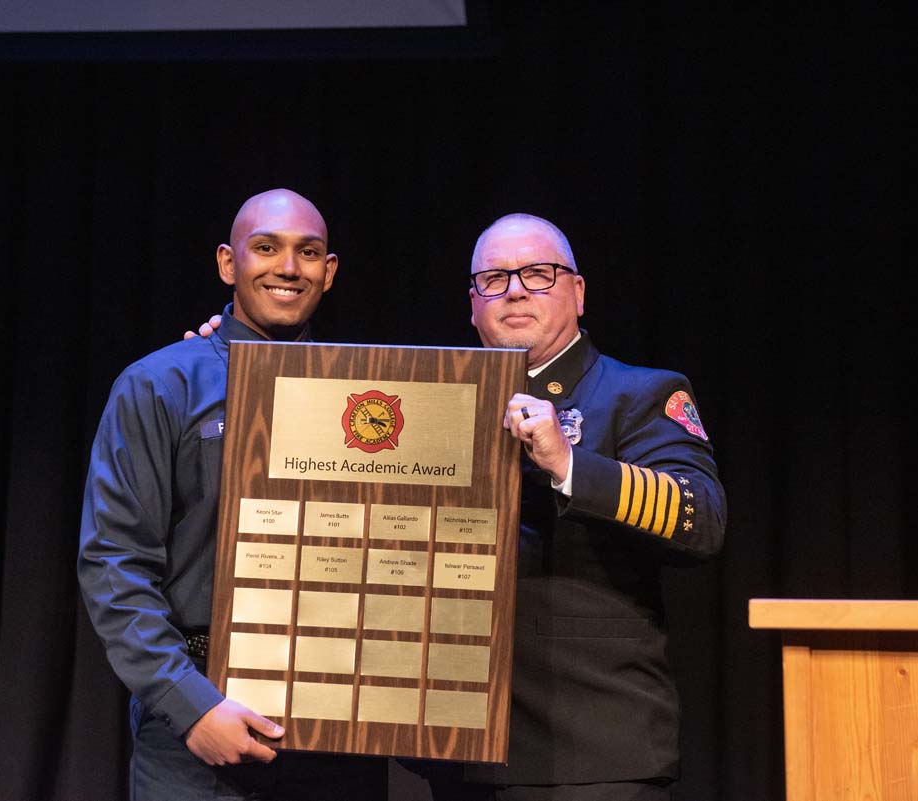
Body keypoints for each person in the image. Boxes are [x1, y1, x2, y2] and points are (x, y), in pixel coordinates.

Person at [189, 212, 725, 800]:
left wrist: (570, 465)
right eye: (493, 279)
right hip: (453, 748)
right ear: (472, 305)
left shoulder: (640, 394)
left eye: (539, 274)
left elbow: (701, 521)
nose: (515, 289)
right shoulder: (432, 400)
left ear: (578, 291)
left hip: (587, 750)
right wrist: (225, 363)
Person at [79, 188, 386, 800]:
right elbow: (114, 562)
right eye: (266, 248)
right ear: (228, 263)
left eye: (308, 252)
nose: (288, 267)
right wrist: (190, 707)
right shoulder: (161, 385)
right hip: (200, 723)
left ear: (328, 273)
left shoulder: (370, 395)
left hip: (340, 728)